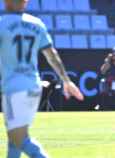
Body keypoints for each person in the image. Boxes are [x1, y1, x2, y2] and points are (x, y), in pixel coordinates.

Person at [0, 0, 84, 158]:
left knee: (19, 139)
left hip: (14, 88)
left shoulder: (2, 24)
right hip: (33, 86)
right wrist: (66, 80)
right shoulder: (36, 23)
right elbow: (52, 55)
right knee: (16, 137)